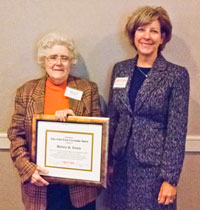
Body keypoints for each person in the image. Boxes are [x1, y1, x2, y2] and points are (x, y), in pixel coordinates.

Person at [107, 6, 189, 210]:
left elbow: (176, 132)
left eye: (154, 31)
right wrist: (107, 161)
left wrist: (170, 179)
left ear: (163, 38)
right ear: (133, 35)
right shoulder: (120, 69)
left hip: (154, 171)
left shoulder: (176, 75)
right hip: (121, 167)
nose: (146, 36)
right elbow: (113, 118)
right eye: (141, 30)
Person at [8, 32, 102, 210]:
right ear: (44, 60)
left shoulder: (88, 89)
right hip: (40, 186)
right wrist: (28, 170)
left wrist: (77, 122)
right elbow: (16, 136)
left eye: (64, 58)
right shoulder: (26, 92)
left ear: (71, 62)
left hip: (79, 189)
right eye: (52, 57)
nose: (58, 63)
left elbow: (99, 134)